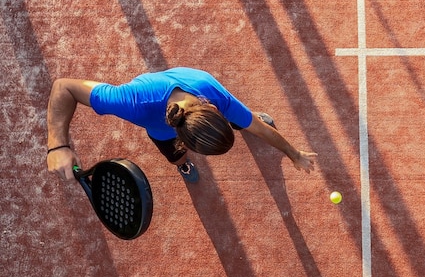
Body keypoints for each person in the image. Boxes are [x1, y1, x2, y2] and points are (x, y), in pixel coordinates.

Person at [46, 67, 317, 182]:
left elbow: (259, 128)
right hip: (157, 118)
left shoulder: (214, 94)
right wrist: (56, 145)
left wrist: (295, 154)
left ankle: (241, 120)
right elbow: (64, 88)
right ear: (184, 139)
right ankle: (183, 163)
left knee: (250, 120)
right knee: (175, 159)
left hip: (203, 98)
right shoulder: (131, 102)